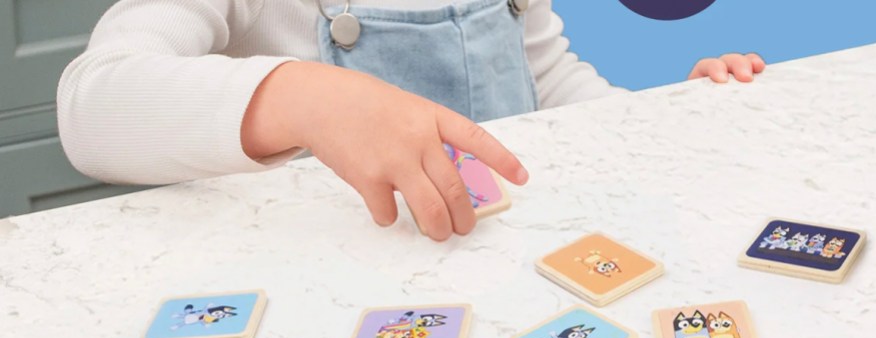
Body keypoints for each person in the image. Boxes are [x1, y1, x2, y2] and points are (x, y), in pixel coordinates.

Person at [58, 0, 765, 241]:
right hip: (356, 291)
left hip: (516, 263)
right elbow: (92, 106)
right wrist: (300, 96)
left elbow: (546, 80)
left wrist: (657, 118)